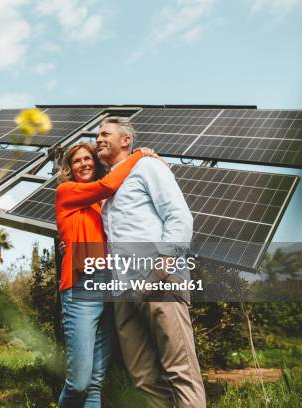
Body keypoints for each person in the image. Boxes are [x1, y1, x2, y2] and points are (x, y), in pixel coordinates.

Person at [96, 117, 206, 408]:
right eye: (97, 135)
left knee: (180, 370)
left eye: (105, 133)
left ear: (126, 140)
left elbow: (179, 217)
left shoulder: (148, 166)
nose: (98, 139)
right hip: (123, 292)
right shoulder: (105, 188)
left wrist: (161, 267)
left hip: (158, 280)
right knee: (142, 378)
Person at [55, 142, 161, 407]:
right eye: (77, 161)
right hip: (80, 287)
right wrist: (138, 155)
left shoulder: (102, 205)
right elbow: (107, 185)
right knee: (78, 382)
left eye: (88, 158)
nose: (84, 164)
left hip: (108, 286)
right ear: (69, 168)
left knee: (94, 383)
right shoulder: (67, 191)